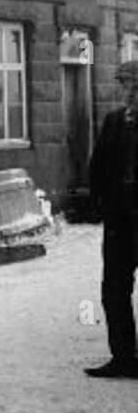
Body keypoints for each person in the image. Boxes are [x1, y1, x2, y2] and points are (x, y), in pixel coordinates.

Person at [85, 59, 138, 378]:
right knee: (114, 290)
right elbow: (99, 167)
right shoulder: (114, 121)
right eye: (122, 83)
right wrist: (102, 205)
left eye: (128, 83)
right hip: (120, 222)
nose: (124, 90)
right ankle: (124, 358)